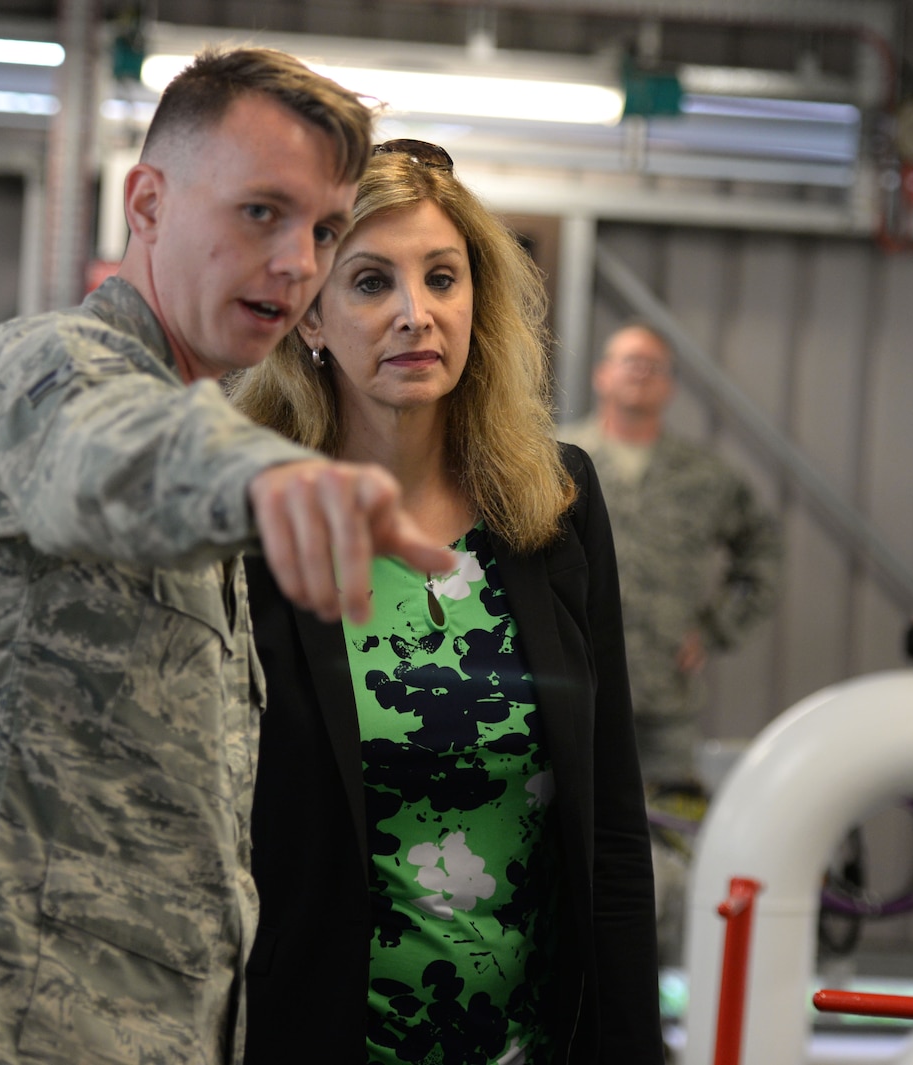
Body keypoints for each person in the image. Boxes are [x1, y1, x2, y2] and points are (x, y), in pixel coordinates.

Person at [0, 51, 453, 1065]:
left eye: (322, 229)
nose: (298, 263)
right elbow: (113, 446)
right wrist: (268, 480)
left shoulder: (194, 414)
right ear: (146, 202)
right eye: (261, 212)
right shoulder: (40, 368)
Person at [231, 139, 660, 1064]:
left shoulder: (557, 505)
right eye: (371, 282)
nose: (414, 315)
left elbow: (613, 827)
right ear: (310, 317)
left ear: (479, 305)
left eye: (442, 278)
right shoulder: (257, 522)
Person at [558, 325, 782, 789]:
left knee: (663, 846)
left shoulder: (705, 476)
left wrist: (716, 627)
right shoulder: (553, 463)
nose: (640, 372)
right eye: (629, 360)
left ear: (670, 386)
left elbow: (763, 550)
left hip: (663, 709)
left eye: (653, 365)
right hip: (569, 693)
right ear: (601, 375)